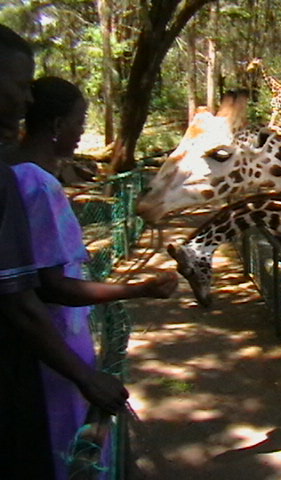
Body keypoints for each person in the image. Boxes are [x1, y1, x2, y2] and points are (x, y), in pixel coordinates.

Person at [10, 75, 178, 480]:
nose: (81, 130)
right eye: (79, 121)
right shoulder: (37, 184)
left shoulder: (15, 173)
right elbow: (53, 286)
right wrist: (141, 287)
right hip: (55, 353)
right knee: (71, 452)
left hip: (41, 352)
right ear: (55, 126)